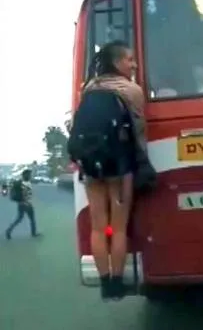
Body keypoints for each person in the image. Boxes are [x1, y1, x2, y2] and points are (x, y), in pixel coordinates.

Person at [68, 40, 144, 301]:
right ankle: (117, 281)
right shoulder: (131, 90)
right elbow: (139, 132)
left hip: (91, 166)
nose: (133, 64)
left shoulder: (89, 88)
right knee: (118, 228)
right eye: (129, 59)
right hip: (120, 168)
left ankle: (104, 283)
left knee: (99, 227)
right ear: (117, 63)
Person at [5, 169, 41, 239]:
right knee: (32, 219)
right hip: (26, 203)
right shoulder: (24, 183)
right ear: (26, 175)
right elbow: (26, 194)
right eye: (29, 174)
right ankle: (33, 233)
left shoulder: (20, 182)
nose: (30, 176)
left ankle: (8, 230)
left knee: (19, 218)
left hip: (21, 204)